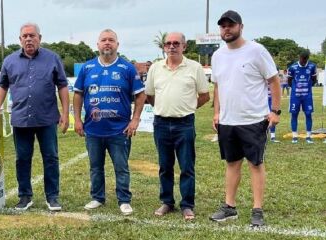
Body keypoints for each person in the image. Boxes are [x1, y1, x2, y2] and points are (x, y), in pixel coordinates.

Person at [0, 23, 69, 212]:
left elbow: (62, 85)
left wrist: (65, 112)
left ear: (40, 37)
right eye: (25, 36)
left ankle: (52, 197)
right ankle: (25, 196)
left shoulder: (52, 58)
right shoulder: (10, 61)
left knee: (51, 158)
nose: (29, 39)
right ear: (20, 39)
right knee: (22, 158)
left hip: (47, 118)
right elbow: (2, 86)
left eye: (32, 35)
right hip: (21, 119)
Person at [209, 10, 281, 227]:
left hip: (253, 119)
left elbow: (274, 81)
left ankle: (257, 209)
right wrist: (216, 112)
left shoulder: (257, 51)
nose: (226, 29)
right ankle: (229, 207)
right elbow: (218, 85)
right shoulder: (218, 55)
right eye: (223, 26)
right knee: (232, 164)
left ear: (240, 26)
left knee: (255, 164)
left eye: (231, 25)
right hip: (228, 121)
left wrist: (275, 112)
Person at [73, 29, 146, 216]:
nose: (107, 43)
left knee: (121, 167)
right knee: (95, 167)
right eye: (103, 40)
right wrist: (78, 120)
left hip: (119, 130)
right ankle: (97, 197)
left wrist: (135, 119)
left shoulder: (127, 68)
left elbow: (140, 95)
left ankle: (124, 200)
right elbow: (78, 94)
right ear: (97, 45)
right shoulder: (87, 68)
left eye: (111, 40)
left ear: (117, 45)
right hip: (93, 129)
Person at [145, 32, 210, 220]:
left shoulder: (195, 67)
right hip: (161, 123)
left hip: (185, 123)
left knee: (187, 166)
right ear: (164, 47)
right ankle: (167, 201)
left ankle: (187, 204)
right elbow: (149, 95)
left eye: (176, 43)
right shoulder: (155, 68)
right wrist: (161, 106)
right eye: (168, 44)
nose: (171, 46)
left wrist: (188, 107)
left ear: (184, 46)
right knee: (165, 166)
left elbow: (205, 96)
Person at [288, 51, 317, 144]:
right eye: (301, 60)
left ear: (307, 59)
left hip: (307, 96)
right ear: (299, 57)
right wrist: (295, 89)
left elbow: (314, 80)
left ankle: (308, 136)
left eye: (305, 60)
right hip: (295, 96)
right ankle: (294, 136)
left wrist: (307, 88)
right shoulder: (293, 67)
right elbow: (289, 80)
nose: (303, 62)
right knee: (294, 115)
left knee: (308, 114)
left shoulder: (312, 66)